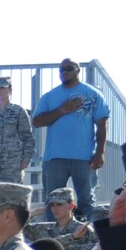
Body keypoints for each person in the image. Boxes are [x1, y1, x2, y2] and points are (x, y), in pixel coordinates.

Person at [33, 58, 111, 219]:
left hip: (84, 158)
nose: (64, 72)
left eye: (68, 68)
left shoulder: (94, 94)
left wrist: (100, 152)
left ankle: (89, 239)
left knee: (87, 202)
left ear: (78, 70)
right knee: (52, 202)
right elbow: (37, 121)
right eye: (61, 70)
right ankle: (53, 240)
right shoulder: (50, 96)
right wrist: (62, 109)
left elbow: (102, 125)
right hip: (54, 158)